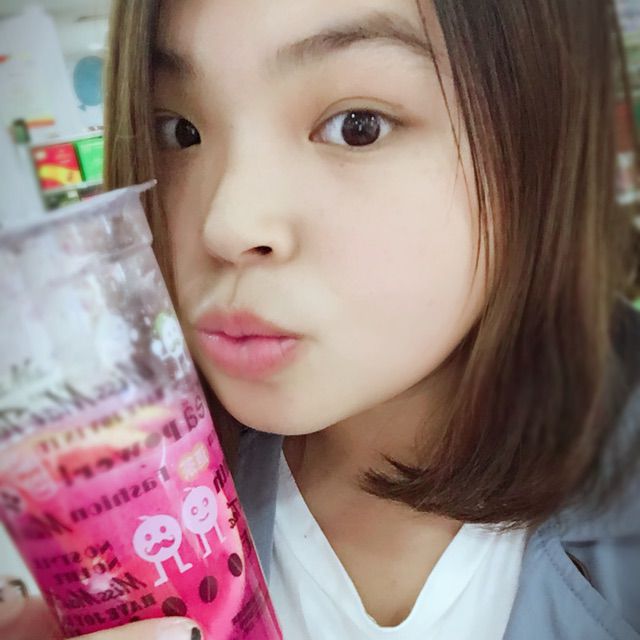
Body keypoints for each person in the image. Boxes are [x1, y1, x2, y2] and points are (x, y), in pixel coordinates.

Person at [3, 0, 640, 638]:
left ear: (546, 133)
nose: (227, 225)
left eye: (358, 127)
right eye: (179, 132)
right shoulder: (134, 516)